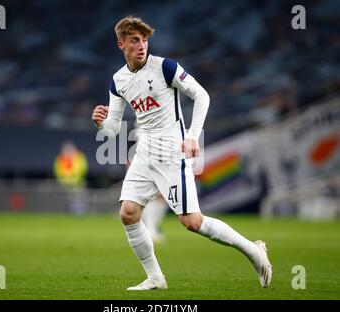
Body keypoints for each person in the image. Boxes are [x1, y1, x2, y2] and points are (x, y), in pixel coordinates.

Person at [92, 16, 272, 290]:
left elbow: (202, 96)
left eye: (144, 40)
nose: (142, 45)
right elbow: (112, 129)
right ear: (121, 45)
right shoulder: (118, 81)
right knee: (128, 213)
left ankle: (253, 251)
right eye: (134, 41)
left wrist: (191, 136)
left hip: (171, 154)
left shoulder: (164, 67)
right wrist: (100, 123)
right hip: (145, 154)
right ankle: (155, 278)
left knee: (192, 222)